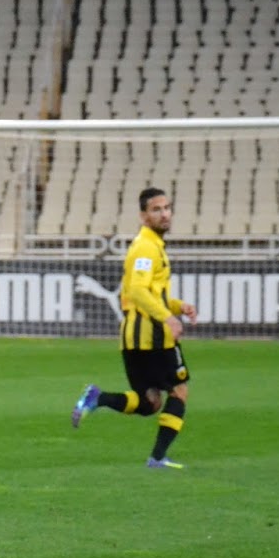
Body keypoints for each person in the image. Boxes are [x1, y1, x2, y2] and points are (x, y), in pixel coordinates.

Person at [72, 187, 198, 470]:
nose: (164, 214)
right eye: (156, 209)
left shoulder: (151, 245)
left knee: (149, 403)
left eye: (167, 208)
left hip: (135, 338)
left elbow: (145, 293)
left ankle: (98, 397)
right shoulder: (146, 247)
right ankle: (157, 458)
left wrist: (178, 306)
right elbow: (139, 292)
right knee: (179, 391)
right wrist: (168, 318)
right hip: (152, 336)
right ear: (143, 216)